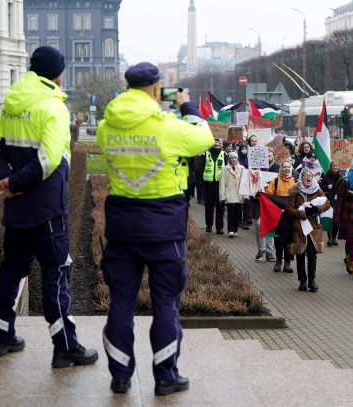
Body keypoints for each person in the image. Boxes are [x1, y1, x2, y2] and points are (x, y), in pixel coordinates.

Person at [96, 62, 214, 394]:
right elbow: (204, 137)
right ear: (155, 88)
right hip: (164, 228)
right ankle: (165, 376)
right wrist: (186, 105)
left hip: (121, 228)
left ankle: (120, 376)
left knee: (121, 302)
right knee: (165, 303)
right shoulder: (168, 126)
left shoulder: (107, 127)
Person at [0, 46, 99, 367]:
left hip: (17, 209)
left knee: (11, 270)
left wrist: (8, 182)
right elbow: (49, 160)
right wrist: (17, 184)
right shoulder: (54, 107)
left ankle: (1, 337)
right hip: (47, 209)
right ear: (58, 73)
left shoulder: (11, 102)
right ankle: (65, 347)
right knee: (56, 273)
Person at [286, 168, 331, 292]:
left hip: (313, 228)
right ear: (301, 178)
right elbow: (289, 209)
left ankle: (312, 281)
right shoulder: (295, 190)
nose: (308, 178)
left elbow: (327, 203)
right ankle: (302, 281)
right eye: (305, 175)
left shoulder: (317, 189)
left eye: (310, 175)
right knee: (300, 254)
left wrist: (317, 209)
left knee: (312, 255)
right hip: (299, 227)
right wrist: (299, 213)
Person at [265, 159, 296, 272]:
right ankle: (278, 260)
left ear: (291, 168)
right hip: (277, 214)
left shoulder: (296, 182)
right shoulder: (275, 181)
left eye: (288, 167)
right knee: (277, 238)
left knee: (289, 239)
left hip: (290, 214)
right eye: (285, 167)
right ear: (281, 168)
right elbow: (268, 195)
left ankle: (288, 262)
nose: (287, 169)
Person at [197, 139, 227, 234]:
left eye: (218, 146)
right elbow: (199, 169)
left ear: (221, 146)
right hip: (208, 186)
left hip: (220, 185)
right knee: (209, 207)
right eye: (215, 146)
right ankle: (209, 226)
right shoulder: (205, 155)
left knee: (220, 208)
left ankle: (219, 227)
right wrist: (201, 182)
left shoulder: (224, 155)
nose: (217, 147)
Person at [220, 152, 245, 238]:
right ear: (229, 159)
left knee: (237, 212)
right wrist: (222, 196)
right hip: (229, 193)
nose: (234, 159)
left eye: (235, 158)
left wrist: (245, 195)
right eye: (232, 158)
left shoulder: (242, 168)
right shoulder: (224, 169)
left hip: (239, 193)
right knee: (230, 212)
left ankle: (235, 229)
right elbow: (222, 183)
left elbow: (244, 182)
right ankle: (230, 230)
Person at [320, 161, 342, 246]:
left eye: (336, 166)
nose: (335, 167)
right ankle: (329, 238)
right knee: (330, 219)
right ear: (331, 167)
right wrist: (327, 187)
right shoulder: (326, 176)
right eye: (333, 166)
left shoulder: (340, 177)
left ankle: (334, 238)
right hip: (329, 200)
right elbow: (321, 187)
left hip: (338, 201)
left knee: (336, 221)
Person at [237, 142, 251, 229]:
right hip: (238, 182)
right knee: (239, 202)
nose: (244, 150)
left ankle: (245, 220)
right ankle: (238, 220)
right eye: (243, 148)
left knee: (247, 203)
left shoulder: (249, 159)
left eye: (246, 148)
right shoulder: (237, 158)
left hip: (247, 183)